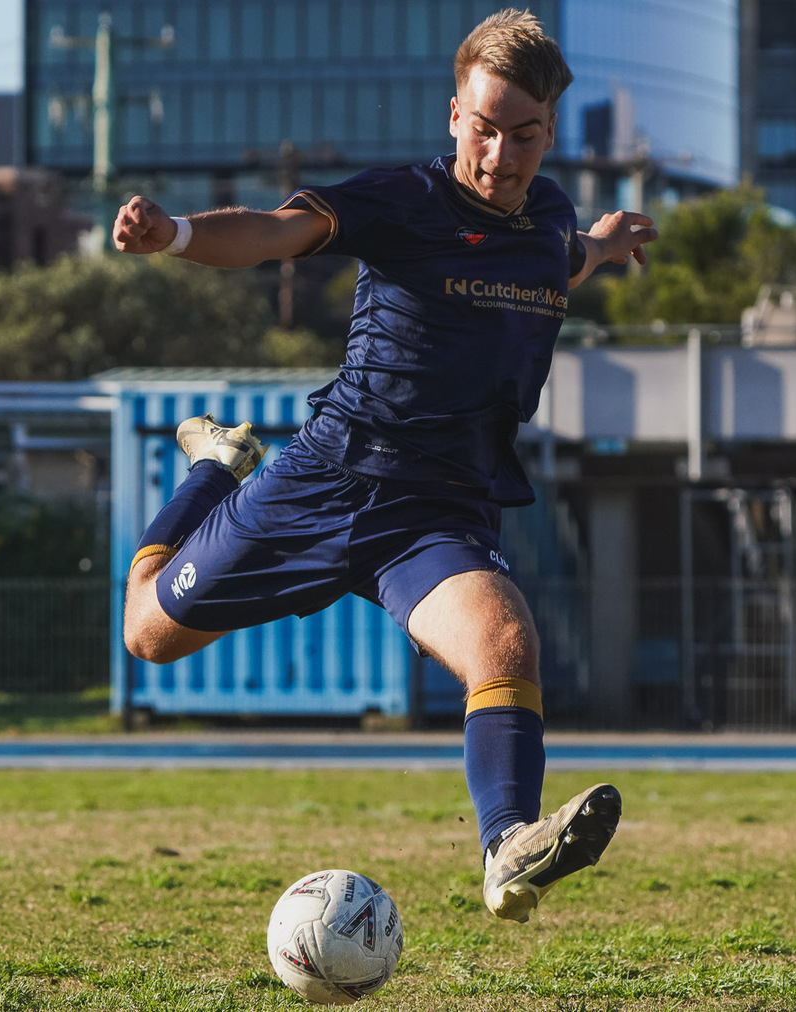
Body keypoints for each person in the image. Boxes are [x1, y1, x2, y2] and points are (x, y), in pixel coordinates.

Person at [109, 9, 653, 925]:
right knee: (148, 636)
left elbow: (560, 261)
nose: (499, 154)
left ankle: (507, 845)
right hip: (326, 481)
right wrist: (173, 235)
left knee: (505, 643)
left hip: (440, 511)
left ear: (549, 134)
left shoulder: (548, 218)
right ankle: (216, 467)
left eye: (522, 135)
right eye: (483, 128)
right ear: (454, 117)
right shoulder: (403, 199)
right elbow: (271, 233)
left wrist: (603, 242)